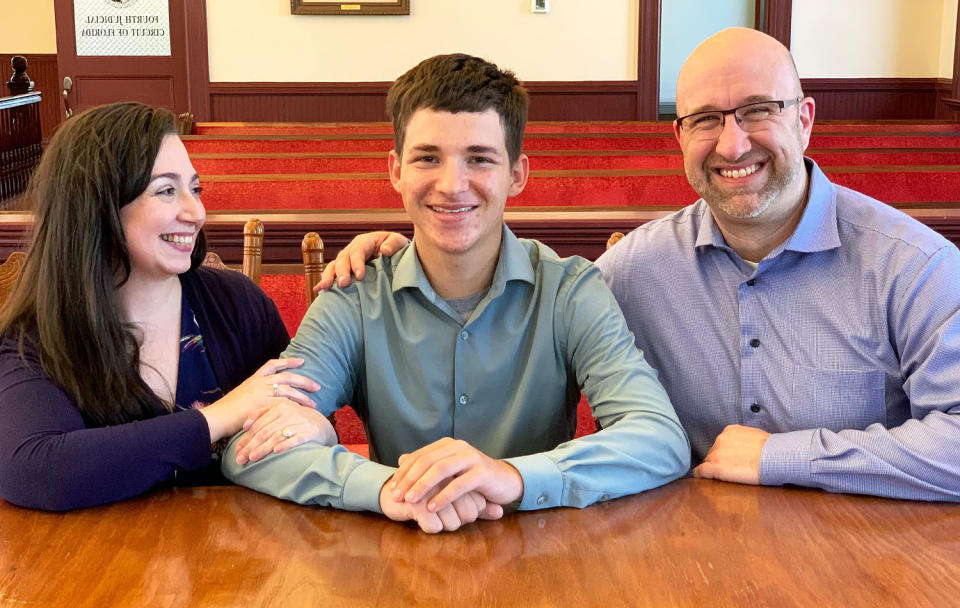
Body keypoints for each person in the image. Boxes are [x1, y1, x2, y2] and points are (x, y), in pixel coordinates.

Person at [324, 28, 960, 502]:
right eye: (706, 119)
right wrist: (414, 246)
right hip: (688, 553)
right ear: (680, 138)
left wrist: (784, 457)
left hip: (875, 548)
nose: (733, 143)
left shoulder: (915, 266)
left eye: (759, 111)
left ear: (806, 119)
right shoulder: (631, 271)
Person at [222, 53, 689, 533]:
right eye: (427, 157)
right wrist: (385, 489)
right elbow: (249, 449)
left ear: (517, 174)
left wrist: (513, 476)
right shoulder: (354, 295)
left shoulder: (569, 290)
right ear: (396, 170)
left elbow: (656, 436)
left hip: (543, 555)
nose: (451, 185)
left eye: (479, 159)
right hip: (399, 551)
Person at [0, 102, 323, 511]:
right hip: (101, 566)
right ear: (97, 208)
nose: (196, 212)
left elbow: (307, 422)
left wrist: (317, 429)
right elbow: (35, 470)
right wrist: (219, 417)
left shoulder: (237, 305)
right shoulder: (38, 335)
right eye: (167, 190)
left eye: (195, 188)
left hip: (238, 559)